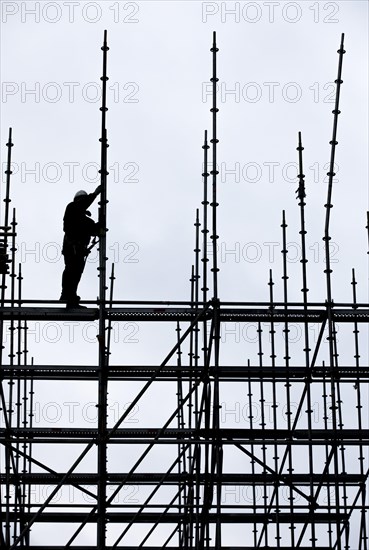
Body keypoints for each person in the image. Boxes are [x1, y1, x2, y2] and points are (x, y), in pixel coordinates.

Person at [60, 186, 101, 308]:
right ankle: (67, 295)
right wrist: (95, 194)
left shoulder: (85, 220)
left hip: (78, 251)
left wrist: (100, 225)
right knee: (71, 271)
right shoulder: (72, 207)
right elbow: (82, 206)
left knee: (75, 274)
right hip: (72, 248)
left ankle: (70, 299)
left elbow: (93, 229)